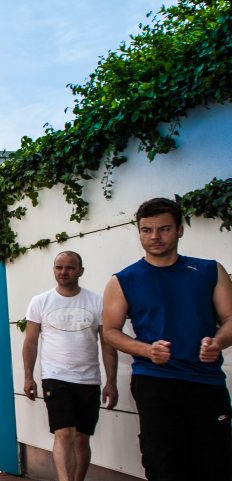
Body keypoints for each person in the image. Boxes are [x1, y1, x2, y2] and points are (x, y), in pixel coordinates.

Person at [102, 197, 232, 480]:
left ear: (180, 229)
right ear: (138, 232)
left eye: (164, 229)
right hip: (155, 382)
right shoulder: (123, 280)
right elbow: (110, 331)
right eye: (146, 230)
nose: (155, 237)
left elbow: (230, 319)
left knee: (215, 464)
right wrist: (147, 350)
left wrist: (218, 342)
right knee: (164, 465)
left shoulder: (210, 270)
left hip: (205, 382)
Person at [22, 251, 118, 481]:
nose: (63, 272)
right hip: (55, 377)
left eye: (70, 268)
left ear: (81, 271)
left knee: (82, 438)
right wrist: (28, 377)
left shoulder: (96, 302)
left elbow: (107, 345)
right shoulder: (40, 301)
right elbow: (31, 342)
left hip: (88, 380)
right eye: (58, 267)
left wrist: (111, 383)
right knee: (64, 433)